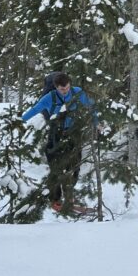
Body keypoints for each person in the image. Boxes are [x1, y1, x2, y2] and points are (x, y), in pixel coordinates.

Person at [22, 71, 96, 213]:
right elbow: (35, 109)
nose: (65, 91)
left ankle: (69, 196)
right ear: (56, 87)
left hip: (73, 133)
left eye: (67, 87)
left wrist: (96, 122)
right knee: (55, 168)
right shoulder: (49, 98)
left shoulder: (77, 92)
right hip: (56, 134)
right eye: (62, 89)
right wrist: (19, 121)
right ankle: (55, 199)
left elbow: (91, 106)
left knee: (74, 166)